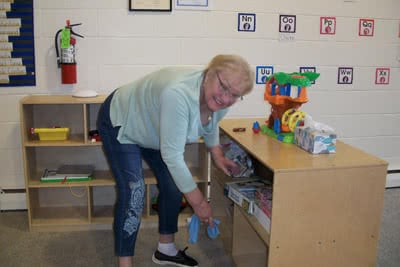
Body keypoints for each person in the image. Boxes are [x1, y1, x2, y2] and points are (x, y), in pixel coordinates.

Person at [97, 54, 254, 267]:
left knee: (173, 186)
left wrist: (217, 154)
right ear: (209, 74)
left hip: (154, 129)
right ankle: (125, 264)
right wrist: (199, 202)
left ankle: (166, 250)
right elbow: (172, 156)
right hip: (124, 120)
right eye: (224, 88)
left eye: (234, 95)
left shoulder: (220, 97)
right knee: (134, 192)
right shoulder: (178, 94)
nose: (226, 99)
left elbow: (211, 120)